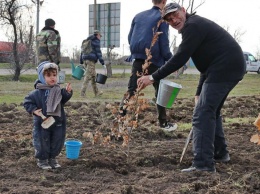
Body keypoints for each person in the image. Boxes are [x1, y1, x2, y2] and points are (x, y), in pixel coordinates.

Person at [138, 2, 246, 172]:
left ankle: (203, 164)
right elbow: (205, 65)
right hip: (226, 67)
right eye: (168, 19)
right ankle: (220, 153)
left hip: (225, 67)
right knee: (211, 111)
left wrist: (152, 77)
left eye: (175, 15)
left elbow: (180, 58)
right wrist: (198, 92)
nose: (173, 20)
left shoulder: (193, 26)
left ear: (183, 11)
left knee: (202, 114)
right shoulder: (194, 27)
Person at [121, 0, 177, 132]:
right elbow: (163, 43)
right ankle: (163, 123)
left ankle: (121, 121)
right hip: (154, 59)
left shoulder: (138, 16)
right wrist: (171, 60)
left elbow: (130, 37)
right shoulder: (162, 17)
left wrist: (137, 52)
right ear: (164, 1)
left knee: (131, 90)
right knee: (160, 90)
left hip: (138, 58)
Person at [23, 61, 73, 170]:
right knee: (42, 140)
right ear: (42, 76)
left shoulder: (58, 90)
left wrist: (67, 93)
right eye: (48, 75)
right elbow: (27, 102)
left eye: (54, 75)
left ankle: (52, 158)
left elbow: (62, 100)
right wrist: (34, 110)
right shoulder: (37, 93)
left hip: (58, 121)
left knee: (57, 140)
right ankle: (42, 160)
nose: (52, 78)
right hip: (42, 123)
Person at [79, 30, 106, 97]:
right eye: (100, 36)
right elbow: (98, 53)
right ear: (97, 35)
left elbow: (82, 52)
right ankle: (82, 93)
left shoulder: (87, 41)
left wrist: (81, 61)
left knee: (93, 76)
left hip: (85, 60)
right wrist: (102, 62)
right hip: (91, 61)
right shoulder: (96, 41)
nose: (100, 37)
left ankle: (96, 93)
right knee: (87, 77)